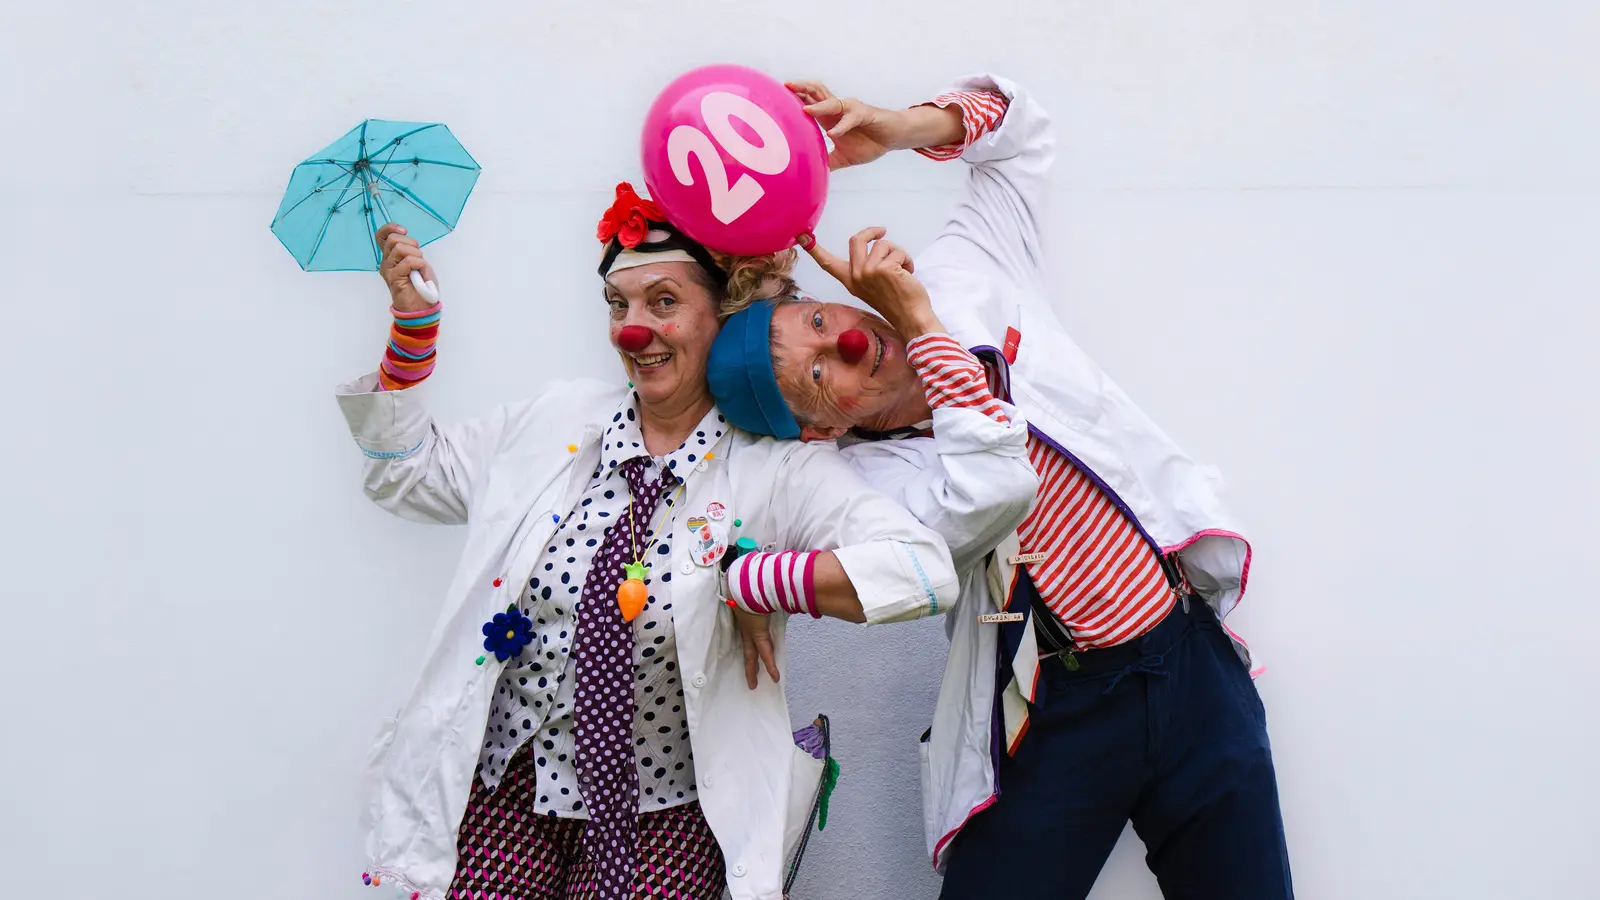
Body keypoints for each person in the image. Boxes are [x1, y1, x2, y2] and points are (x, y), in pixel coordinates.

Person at [707, 75, 1294, 899]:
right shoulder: (867, 488)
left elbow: (1024, 135)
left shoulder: (965, 273)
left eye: (811, 322)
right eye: (811, 373)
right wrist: (917, 324)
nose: (839, 341)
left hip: (1191, 665)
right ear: (818, 430)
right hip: (1055, 712)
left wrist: (898, 127)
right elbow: (992, 489)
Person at [331, 184, 960, 900]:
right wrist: (414, 329)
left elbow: (922, 571)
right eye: (617, 304)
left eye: (663, 301)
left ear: (721, 315)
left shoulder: (777, 469)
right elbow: (405, 478)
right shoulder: (557, 418)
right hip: (507, 792)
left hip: (664, 819)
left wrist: (752, 579)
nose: (632, 329)